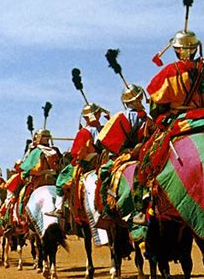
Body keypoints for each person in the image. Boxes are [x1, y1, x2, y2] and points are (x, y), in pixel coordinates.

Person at [97, 84, 153, 223]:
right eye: (139, 99)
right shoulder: (147, 119)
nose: (141, 101)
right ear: (134, 101)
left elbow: (104, 141)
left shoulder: (122, 117)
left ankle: (106, 209)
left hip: (124, 156)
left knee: (104, 172)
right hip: (141, 155)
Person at [46, 103, 109, 217]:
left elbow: (75, 152)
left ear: (86, 118)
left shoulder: (84, 132)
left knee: (60, 180)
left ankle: (59, 208)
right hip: (105, 160)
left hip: (88, 163)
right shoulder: (105, 128)